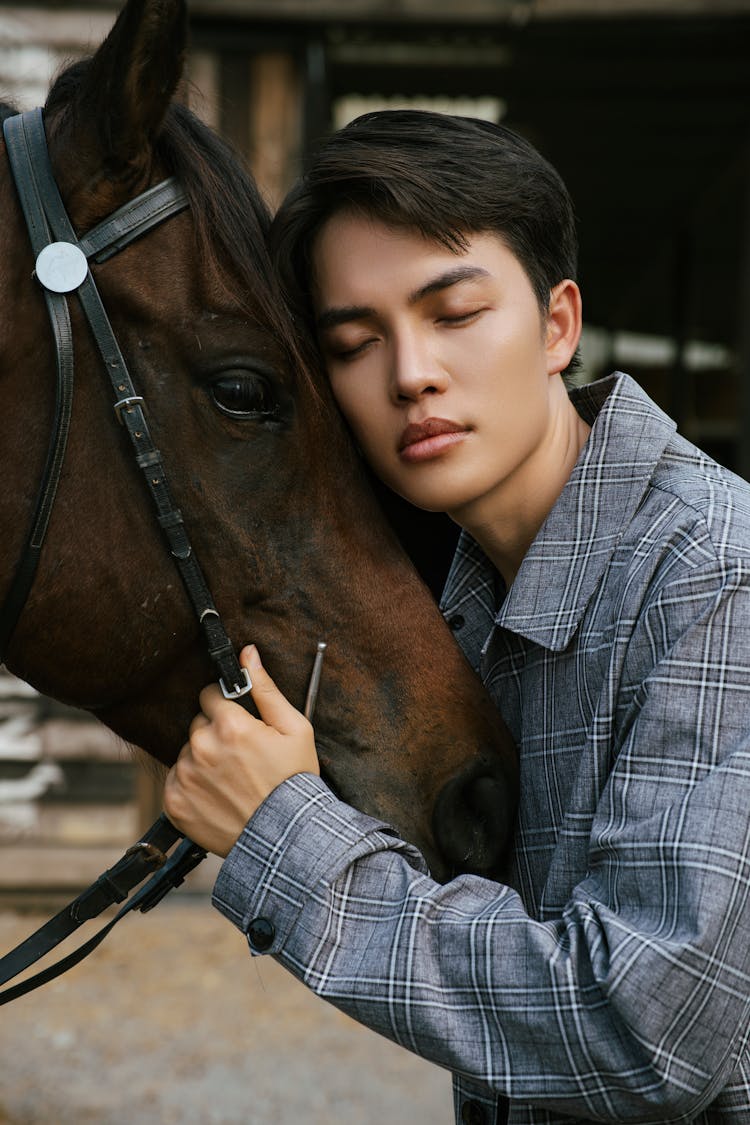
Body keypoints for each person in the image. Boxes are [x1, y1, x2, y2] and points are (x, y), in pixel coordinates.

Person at [162, 111, 750, 1124]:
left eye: (455, 313)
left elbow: (644, 1031)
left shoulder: (715, 576)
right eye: (355, 343)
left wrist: (286, 836)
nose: (410, 374)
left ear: (559, 324)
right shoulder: (455, 601)